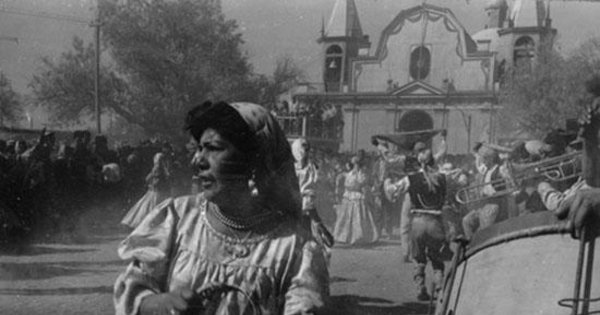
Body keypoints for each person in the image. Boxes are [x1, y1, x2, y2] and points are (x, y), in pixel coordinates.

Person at [114, 101, 329, 315]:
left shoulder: (294, 249)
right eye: (199, 148)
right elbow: (133, 286)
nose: (198, 160)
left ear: (253, 161)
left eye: (214, 148)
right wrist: (158, 303)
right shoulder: (177, 218)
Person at [385, 147, 452, 301]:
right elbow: (459, 184)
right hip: (436, 222)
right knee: (436, 258)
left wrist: (387, 180)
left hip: (418, 223)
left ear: (419, 162)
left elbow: (392, 192)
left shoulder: (411, 178)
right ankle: (440, 286)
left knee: (419, 258)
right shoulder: (443, 177)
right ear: (433, 161)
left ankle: (420, 288)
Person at [291, 138, 334, 249]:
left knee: (307, 227)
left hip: (306, 200)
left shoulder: (312, 167)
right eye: (303, 151)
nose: (305, 153)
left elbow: (315, 184)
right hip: (293, 201)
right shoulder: (291, 167)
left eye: (307, 151)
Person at [333, 155, 380, 245]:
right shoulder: (349, 174)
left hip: (357, 194)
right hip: (349, 195)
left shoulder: (361, 174)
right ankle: (345, 235)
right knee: (347, 216)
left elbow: (362, 183)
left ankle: (358, 236)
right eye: (354, 164)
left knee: (358, 216)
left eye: (357, 164)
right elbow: (344, 182)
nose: (356, 166)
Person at [121, 152, 172, 229]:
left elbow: (148, 179)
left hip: (157, 191)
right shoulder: (159, 168)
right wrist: (154, 184)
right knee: (153, 207)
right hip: (157, 192)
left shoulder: (158, 167)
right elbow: (153, 180)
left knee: (147, 208)